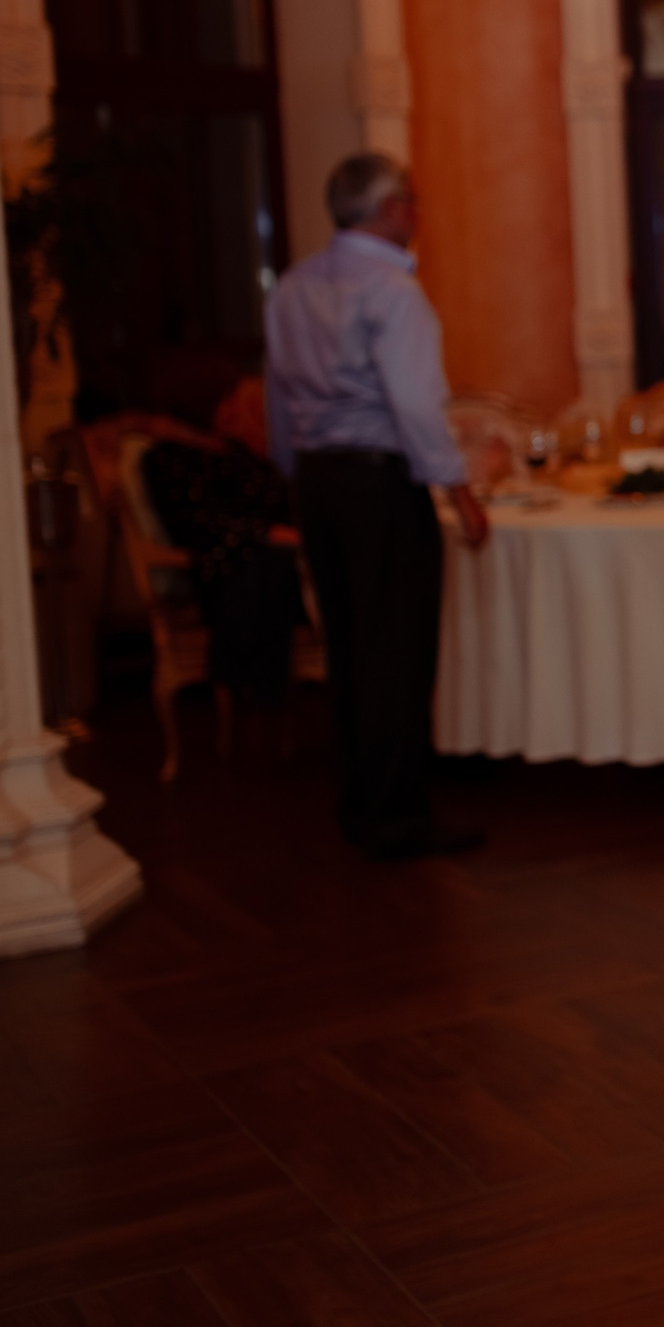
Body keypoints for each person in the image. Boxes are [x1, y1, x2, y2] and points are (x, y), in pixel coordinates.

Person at [265, 151, 490, 861]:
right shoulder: (392, 290)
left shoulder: (294, 286)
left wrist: (294, 472)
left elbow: (277, 398)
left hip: (321, 485)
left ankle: (361, 805)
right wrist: (458, 490)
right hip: (380, 486)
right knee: (395, 652)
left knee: (351, 650)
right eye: (414, 203)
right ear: (393, 210)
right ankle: (397, 817)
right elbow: (416, 406)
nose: (418, 216)